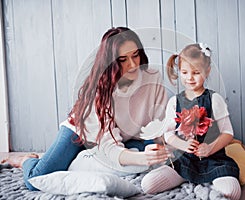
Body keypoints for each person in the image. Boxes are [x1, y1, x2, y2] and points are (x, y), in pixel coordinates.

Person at [4, 27, 170, 190]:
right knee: (35, 180)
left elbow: (156, 125)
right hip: (80, 133)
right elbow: (110, 148)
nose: (133, 64)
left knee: (156, 156)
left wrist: (155, 146)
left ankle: (81, 159)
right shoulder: (100, 89)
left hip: (124, 137)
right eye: (123, 59)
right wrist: (143, 159)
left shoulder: (153, 78)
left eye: (136, 55)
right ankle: (26, 160)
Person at [141, 43, 241, 200]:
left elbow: (228, 133)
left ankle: (210, 177)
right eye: (185, 72)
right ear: (179, 71)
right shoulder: (175, 101)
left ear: (207, 72)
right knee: (148, 184)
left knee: (231, 192)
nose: (190, 78)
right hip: (184, 159)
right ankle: (185, 175)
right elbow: (168, 135)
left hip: (213, 159)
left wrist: (209, 148)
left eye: (196, 73)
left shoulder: (214, 99)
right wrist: (182, 145)